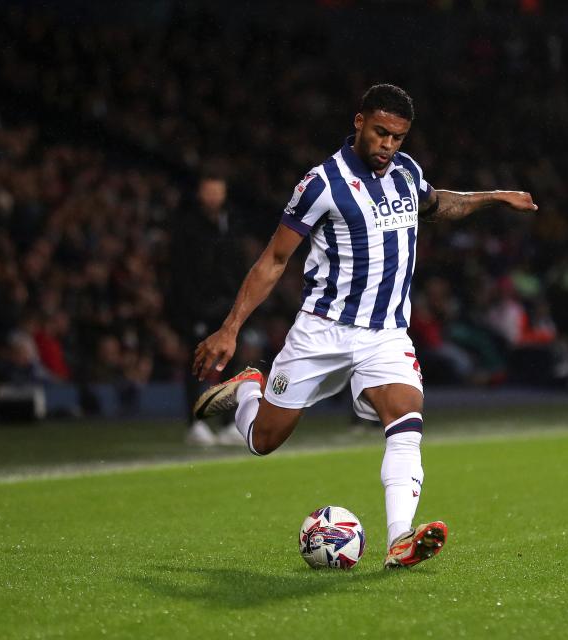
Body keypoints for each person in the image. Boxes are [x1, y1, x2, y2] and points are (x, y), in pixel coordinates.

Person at [191, 84, 537, 568]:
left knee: (405, 416)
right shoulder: (321, 184)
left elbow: (437, 204)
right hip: (322, 331)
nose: (388, 145)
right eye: (380, 133)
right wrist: (230, 328)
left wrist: (492, 198)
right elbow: (274, 260)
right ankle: (252, 387)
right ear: (359, 122)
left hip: (386, 334)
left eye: (397, 137)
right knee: (263, 441)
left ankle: (400, 539)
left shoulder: (406, 172)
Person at [170, 169, 251, 446]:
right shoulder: (187, 225)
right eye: (209, 190)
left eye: (218, 190)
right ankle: (196, 424)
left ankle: (228, 422)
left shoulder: (231, 222)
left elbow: (238, 262)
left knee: (231, 361)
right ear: (200, 193)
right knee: (198, 363)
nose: (214, 196)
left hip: (227, 303)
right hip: (197, 305)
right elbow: (181, 270)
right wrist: (189, 306)